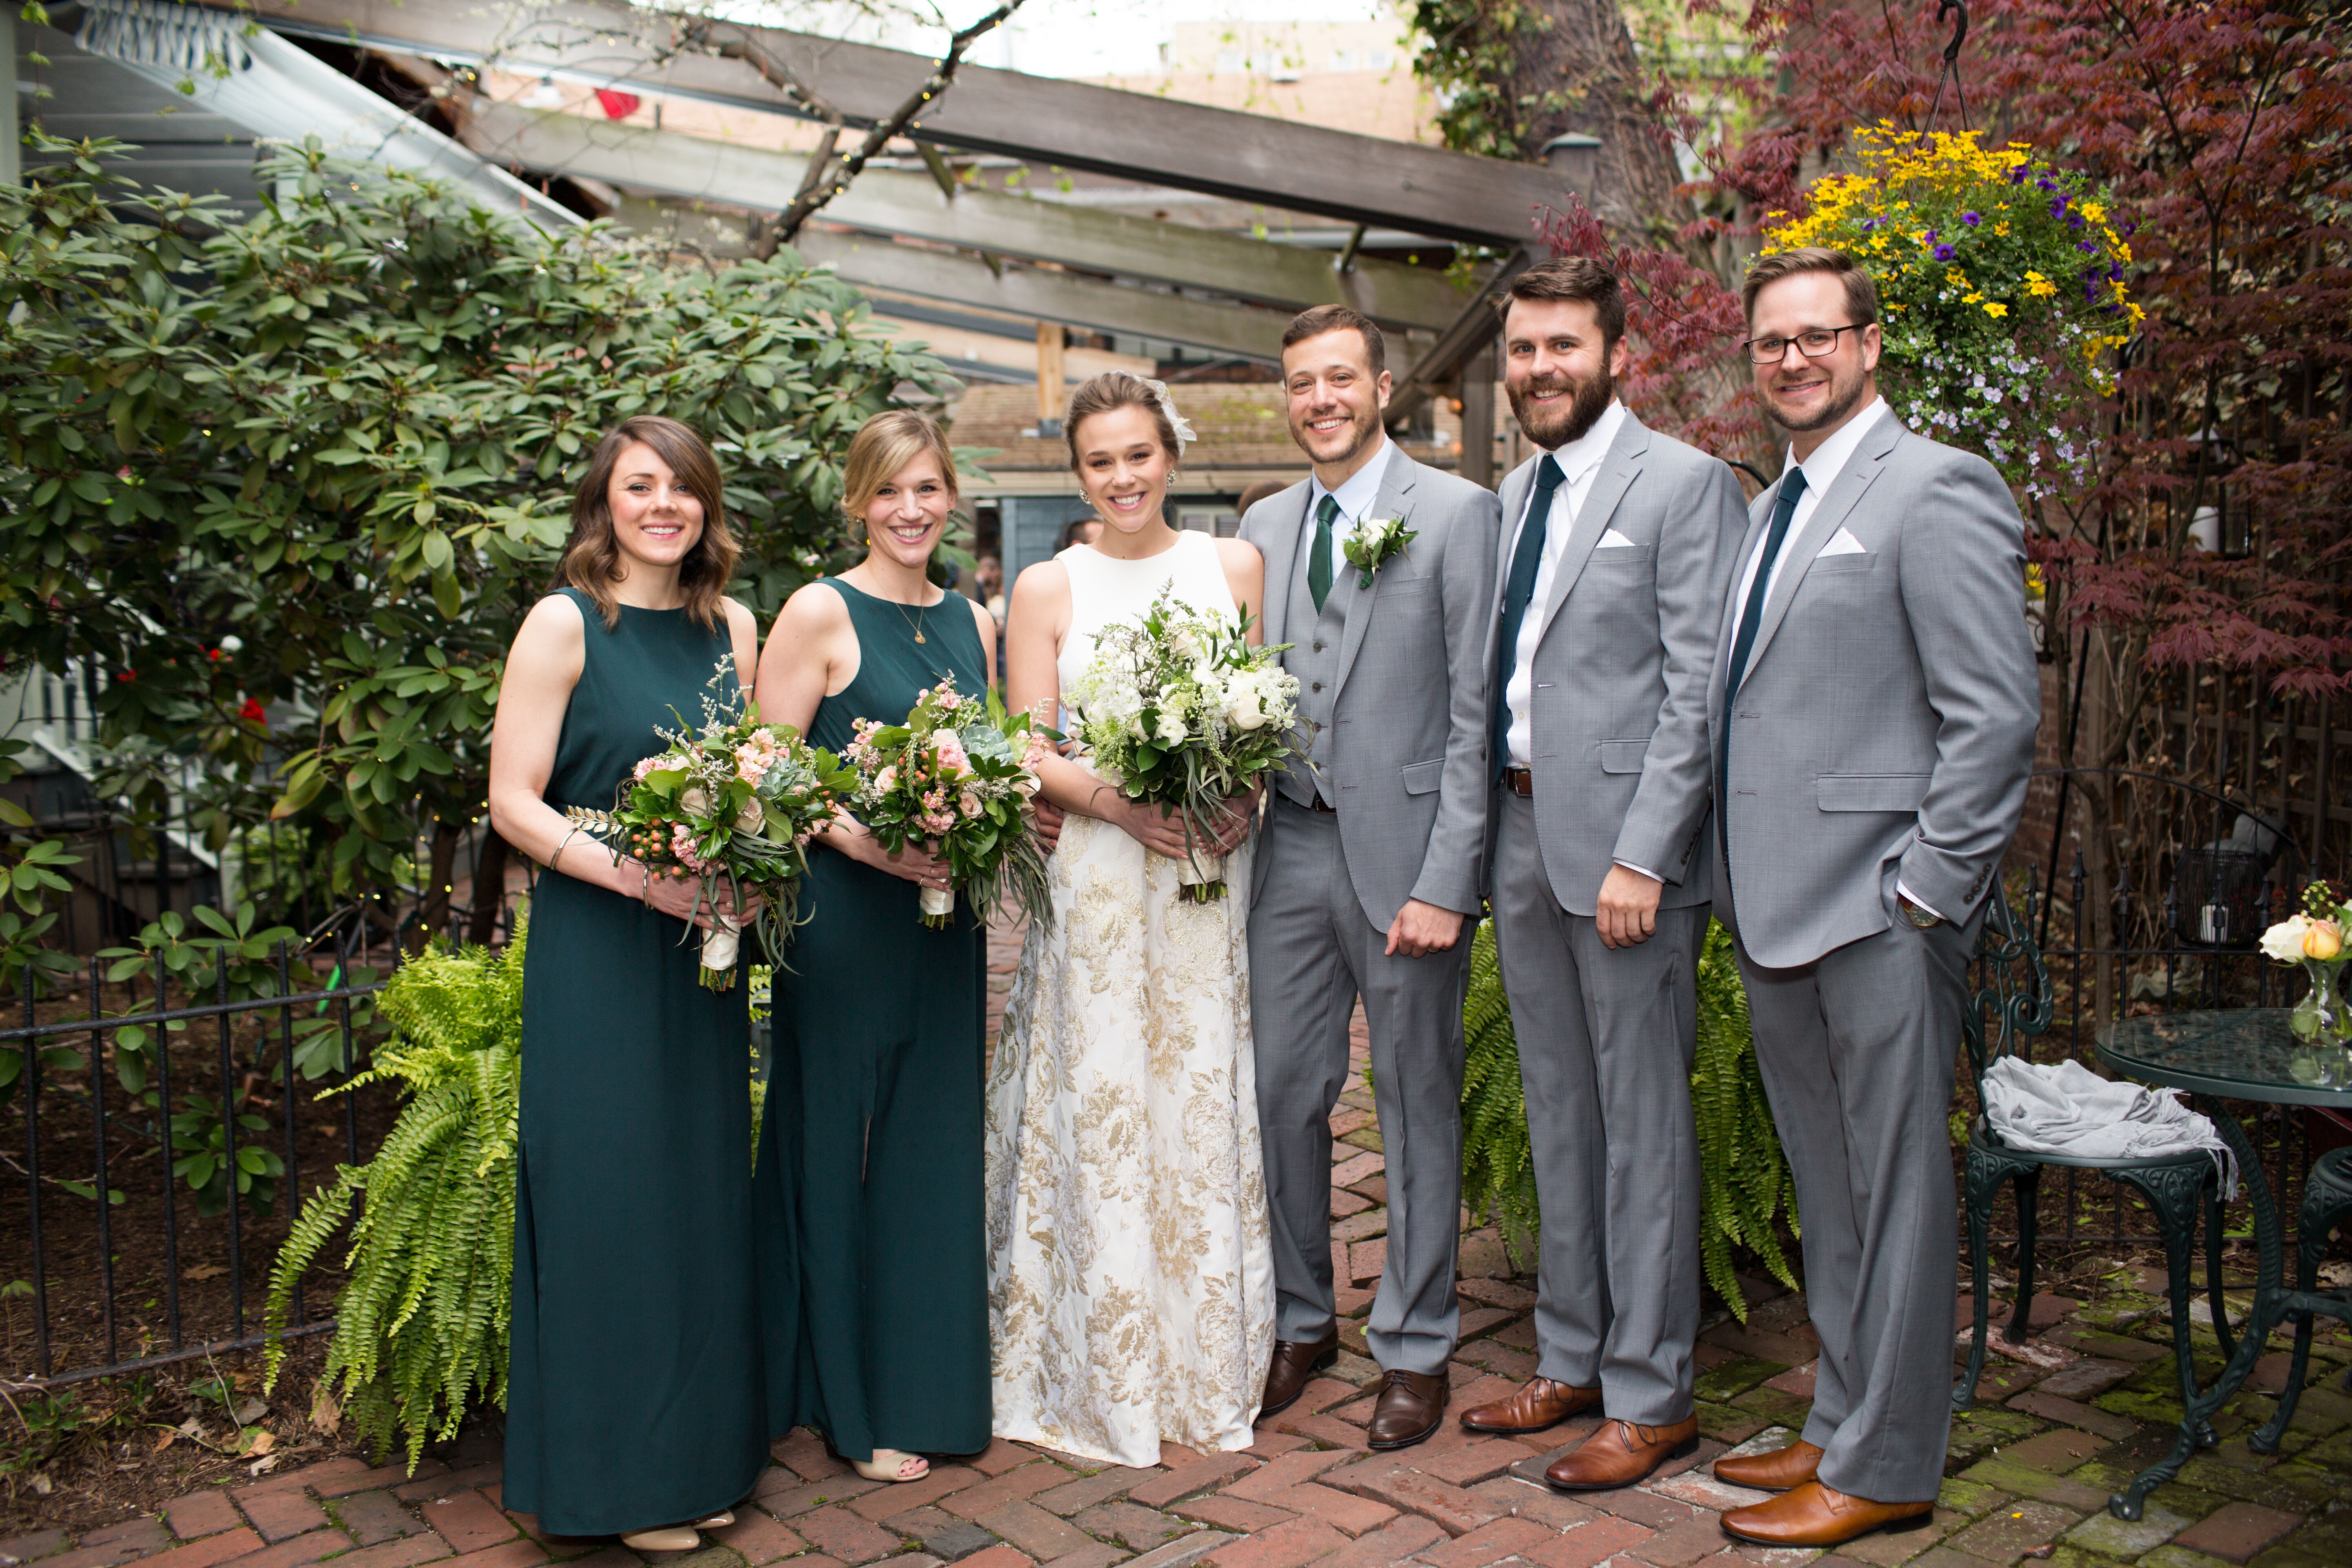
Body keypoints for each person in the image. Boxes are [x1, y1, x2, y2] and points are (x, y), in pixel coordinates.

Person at [1706, 248, 2038, 1548]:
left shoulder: (1937, 490)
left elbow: (1994, 716)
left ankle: (1892, 1467)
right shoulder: (1767, 508)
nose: (1793, 359)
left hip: (1881, 913)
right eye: (1771, 343)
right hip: (1774, 904)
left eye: (1817, 336)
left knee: (1897, 1194)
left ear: (1869, 345)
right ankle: (1841, 1419)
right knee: (1829, 1186)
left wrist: (1928, 894)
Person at [1453, 259, 1746, 1488]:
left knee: (1643, 1129)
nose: (1540, 369)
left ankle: (1652, 1393)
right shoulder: (1516, 494)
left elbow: (1699, 690)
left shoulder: (1683, 485)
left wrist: (1646, 854)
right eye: (1523, 351)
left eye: (1562, 346)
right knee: (1561, 1113)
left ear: (1615, 352)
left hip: (1626, 863)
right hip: (1521, 841)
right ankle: (1570, 1358)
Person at [488, 415, 771, 1552]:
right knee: (610, 1200)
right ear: (603, 504)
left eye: (683, 488)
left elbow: (749, 777)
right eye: (639, 486)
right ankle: (619, 1486)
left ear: (706, 506)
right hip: (600, 948)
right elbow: (514, 801)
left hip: (699, 945)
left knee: (697, 1199)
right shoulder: (563, 624)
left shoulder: (731, 627)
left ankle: (699, 1459)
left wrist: (747, 853)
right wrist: (639, 880)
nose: (665, 505)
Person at [986, 371, 1274, 1466]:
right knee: (1102, 1087)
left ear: (1171, 456)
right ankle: (1104, 1366)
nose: (1123, 478)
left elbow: (1256, 708)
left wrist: (1235, 792)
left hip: (1203, 871)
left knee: (1195, 1088)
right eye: (1100, 461)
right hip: (1105, 873)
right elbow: (1031, 747)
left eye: (1139, 455)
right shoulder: (1047, 588)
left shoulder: (1230, 566)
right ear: (1078, 473)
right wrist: (1120, 806)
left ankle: (1204, 1364)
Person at [1241, 305, 1499, 1451]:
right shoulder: (1259, 522)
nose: (1320, 400)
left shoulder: (1455, 513)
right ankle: (1303, 1318)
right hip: (1286, 848)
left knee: (1413, 1103)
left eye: (1339, 378)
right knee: (1280, 1097)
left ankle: (1416, 1340)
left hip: (1404, 861)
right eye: (1302, 383)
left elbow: (1474, 713)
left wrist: (1450, 877)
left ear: (1381, 387)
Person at [752, 410, 1002, 1485]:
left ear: (951, 499)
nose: (910, 510)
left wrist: (975, 821)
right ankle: (849, 1408)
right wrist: (870, 843)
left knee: (932, 1146)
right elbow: (768, 766)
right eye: (890, 490)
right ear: (859, 499)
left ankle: (932, 1387)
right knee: (836, 1144)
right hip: (847, 920)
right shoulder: (819, 611)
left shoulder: (975, 621)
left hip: (948, 925)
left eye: (929, 489)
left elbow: (997, 757)